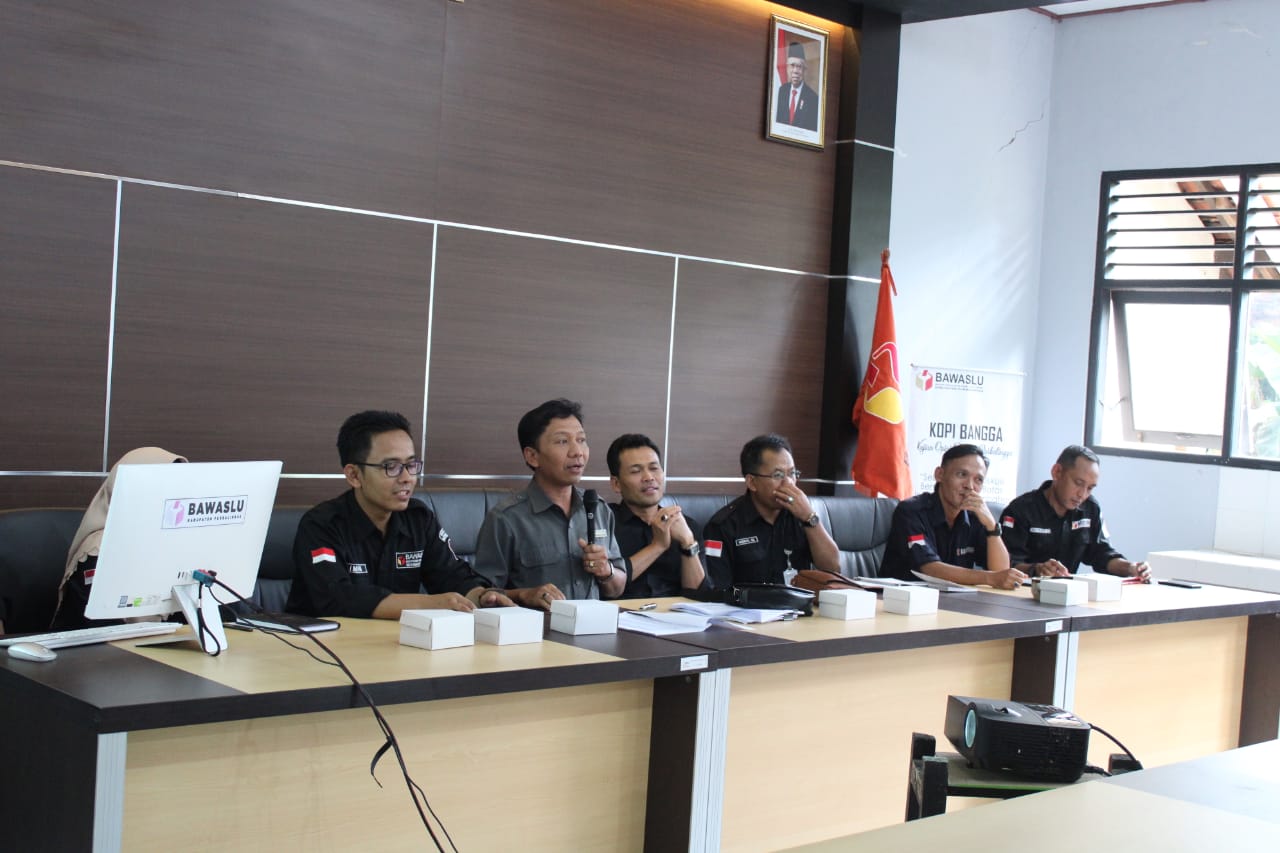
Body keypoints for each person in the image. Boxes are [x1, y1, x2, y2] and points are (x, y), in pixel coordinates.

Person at [287, 411, 511, 619]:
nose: (407, 478)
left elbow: (452, 575)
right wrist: (429, 604)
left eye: (411, 465)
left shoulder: (419, 519)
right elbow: (336, 598)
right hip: (322, 642)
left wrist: (482, 596)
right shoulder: (322, 525)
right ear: (354, 475)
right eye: (391, 467)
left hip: (398, 641)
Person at [474, 399, 625, 609]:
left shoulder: (597, 508)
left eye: (581, 440)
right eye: (562, 441)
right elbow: (482, 596)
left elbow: (617, 588)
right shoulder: (506, 518)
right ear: (533, 456)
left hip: (592, 626)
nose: (577, 452)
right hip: (537, 628)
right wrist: (525, 595)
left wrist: (606, 571)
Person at [55, 447, 189, 630]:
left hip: (161, 644)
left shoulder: (176, 544)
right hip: (96, 645)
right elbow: (104, 629)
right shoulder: (99, 550)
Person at [702, 434, 840, 590]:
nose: (789, 483)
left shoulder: (802, 516)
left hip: (799, 604)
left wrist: (810, 518)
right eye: (778, 475)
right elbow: (718, 591)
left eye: (792, 473)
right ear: (752, 482)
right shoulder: (722, 526)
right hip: (749, 605)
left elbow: (833, 568)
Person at [880, 444, 1023, 589]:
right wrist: (988, 578)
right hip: (903, 598)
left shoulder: (975, 516)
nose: (970, 486)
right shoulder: (912, 511)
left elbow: (1001, 573)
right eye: (962, 474)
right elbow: (930, 569)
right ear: (939, 475)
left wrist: (992, 526)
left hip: (954, 599)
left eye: (978, 480)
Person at [1000, 445, 1151, 580]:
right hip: (1023, 591)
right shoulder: (1021, 510)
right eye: (1078, 483)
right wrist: (1037, 570)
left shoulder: (1090, 508)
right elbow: (1005, 565)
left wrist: (1131, 568)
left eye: (1090, 488)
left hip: (1067, 594)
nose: (1082, 494)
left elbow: (1102, 554)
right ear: (1057, 472)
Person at [606, 433, 707, 598]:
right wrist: (658, 546)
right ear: (616, 484)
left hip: (673, 613)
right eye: (636, 471)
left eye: (654, 468)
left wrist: (688, 543)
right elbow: (607, 587)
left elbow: (698, 596)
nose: (649, 477)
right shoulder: (604, 523)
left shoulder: (686, 525)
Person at [775, 42, 819, 131]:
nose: (795, 71)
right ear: (787, 68)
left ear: (804, 70)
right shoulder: (781, 91)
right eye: (792, 65)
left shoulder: (813, 98)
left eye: (799, 66)